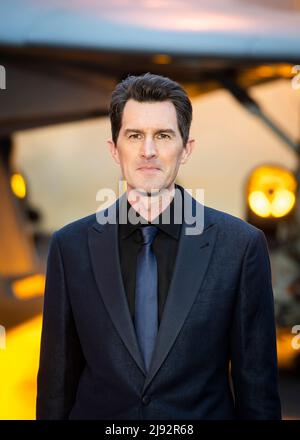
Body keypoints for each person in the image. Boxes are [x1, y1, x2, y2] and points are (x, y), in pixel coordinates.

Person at [36, 72, 282, 420]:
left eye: (163, 135)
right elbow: (55, 386)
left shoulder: (240, 247)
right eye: (134, 135)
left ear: (186, 149)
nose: (148, 151)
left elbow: (257, 390)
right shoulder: (69, 247)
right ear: (113, 148)